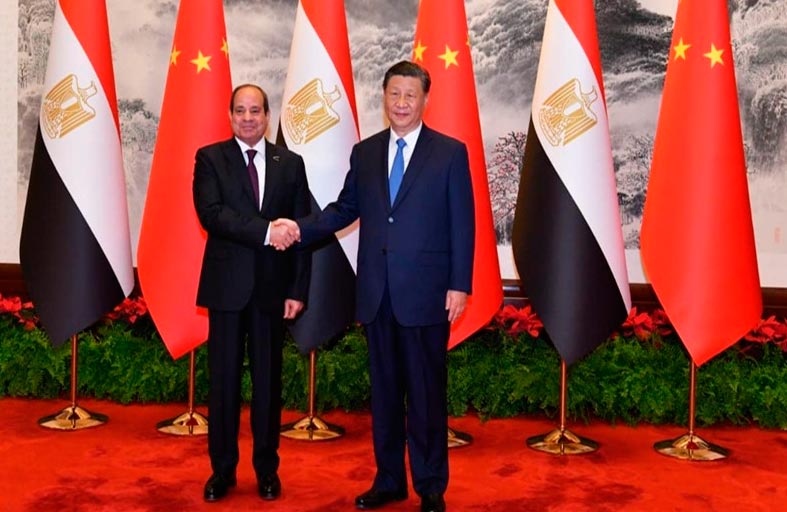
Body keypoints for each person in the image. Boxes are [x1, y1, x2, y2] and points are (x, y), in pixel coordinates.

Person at [277, 60, 474, 512]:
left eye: (410, 95)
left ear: (425, 100)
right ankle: (389, 481)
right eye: (394, 94)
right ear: (383, 97)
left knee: (425, 395)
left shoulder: (449, 153)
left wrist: (459, 284)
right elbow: (344, 209)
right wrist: (299, 228)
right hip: (376, 294)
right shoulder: (365, 153)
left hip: (427, 295)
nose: (401, 103)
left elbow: (462, 223)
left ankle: (430, 486)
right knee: (384, 396)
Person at [192, 83, 311, 503]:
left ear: (267, 116)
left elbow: (301, 229)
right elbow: (212, 215)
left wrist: (298, 288)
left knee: (268, 386)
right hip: (227, 290)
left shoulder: (290, 163)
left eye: (255, 110)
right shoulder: (210, 158)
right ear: (230, 115)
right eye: (240, 110)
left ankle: (267, 470)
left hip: (271, 292)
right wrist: (266, 231)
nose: (247, 118)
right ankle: (222, 471)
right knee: (223, 384)